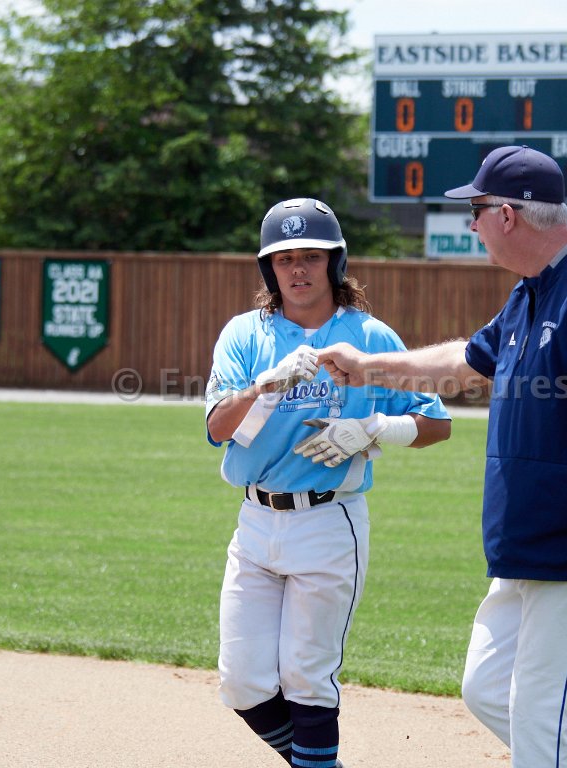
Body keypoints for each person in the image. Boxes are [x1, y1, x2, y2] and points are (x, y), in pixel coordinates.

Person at [317, 146, 567, 768]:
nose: (472, 223)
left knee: (540, 722)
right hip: (528, 544)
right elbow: (464, 362)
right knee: (488, 690)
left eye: (478, 210)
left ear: (508, 215)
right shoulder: (532, 291)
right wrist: (367, 366)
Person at [205, 197, 451, 768]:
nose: (298, 269)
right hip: (255, 521)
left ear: (334, 263)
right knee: (242, 682)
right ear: (269, 269)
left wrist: (374, 428)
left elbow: (436, 423)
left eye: (311, 256)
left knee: (307, 677)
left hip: (328, 519)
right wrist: (265, 385)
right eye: (284, 258)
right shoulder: (245, 335)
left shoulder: (369, 336)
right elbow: (217, 428)